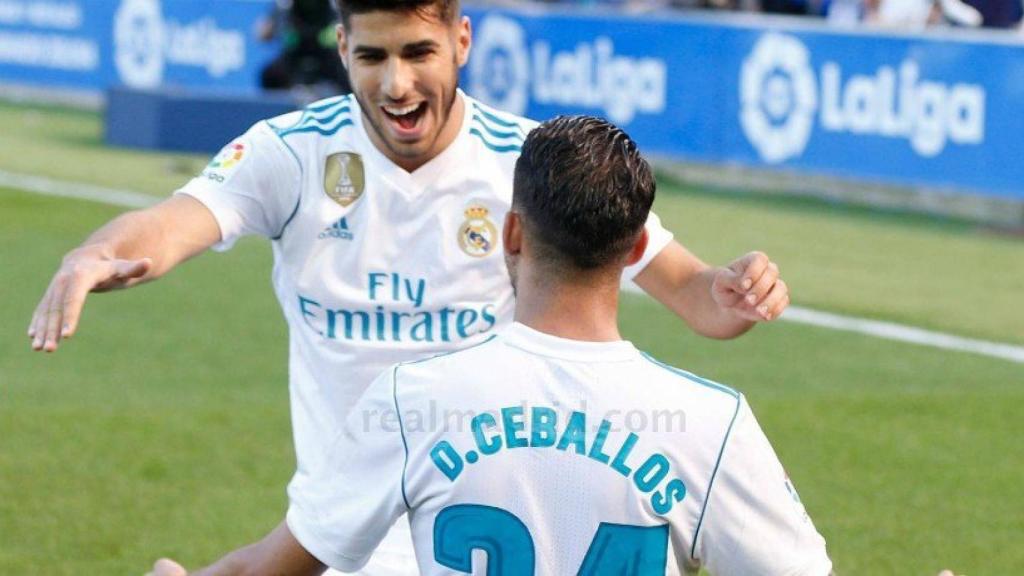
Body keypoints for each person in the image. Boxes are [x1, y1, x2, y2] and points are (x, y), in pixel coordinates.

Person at [29, 0, 790, 572]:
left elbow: (692, 293)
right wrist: (97, 253)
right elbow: (173, 222)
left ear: (462, 40)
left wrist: (732, 290)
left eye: (419, 51)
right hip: (343, 522)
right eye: (372, 57)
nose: (396, 83)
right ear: (341, 48)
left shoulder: (527, 161)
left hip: (472, 508)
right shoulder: (290, 153)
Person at [148, 115, 831, 576]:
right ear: (635, 248)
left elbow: (277, 565)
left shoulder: (412, 400)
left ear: (511, 235)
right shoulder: (712, 422)